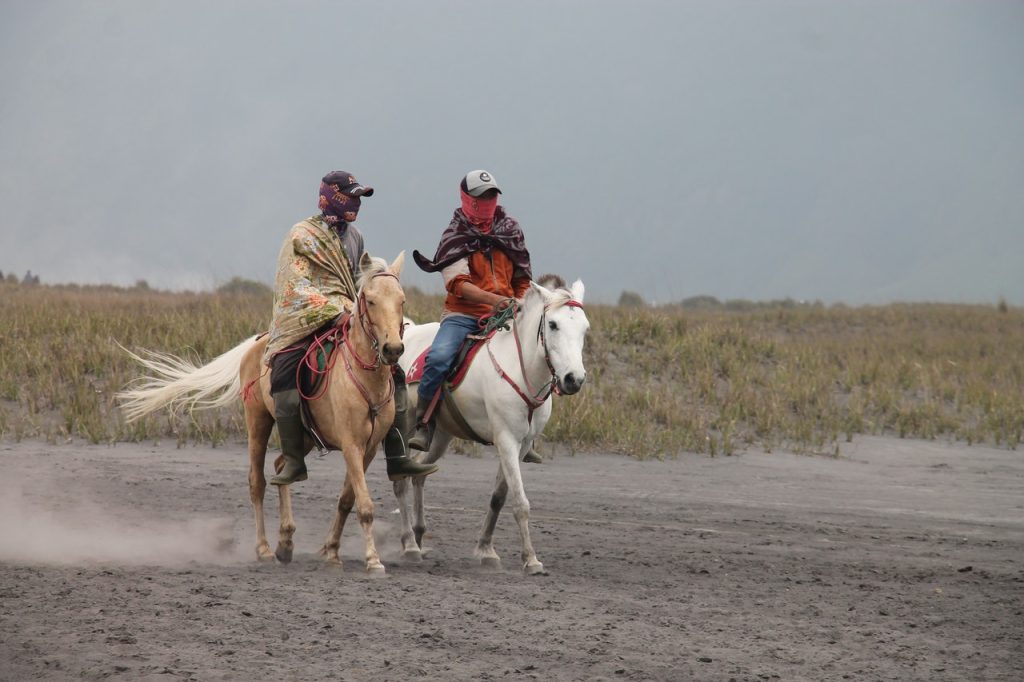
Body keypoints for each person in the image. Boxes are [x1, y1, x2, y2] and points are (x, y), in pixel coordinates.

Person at [264, 170, 439, 485]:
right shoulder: (301, 235)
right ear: (331, 196)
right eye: (351, 196)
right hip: (305, 318)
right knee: (284, 372)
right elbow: (295, 286)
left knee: (394, 372)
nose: (356, 203)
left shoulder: (355, 236)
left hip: (349, 314)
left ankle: (398, 457)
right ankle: (292, 460)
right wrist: (335, 309)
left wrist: (359, 307)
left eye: (359, 198)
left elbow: (357, 284)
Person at [409, 169, 532, 451]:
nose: (486, 201)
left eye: (491, 196)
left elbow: (523, 277)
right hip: (463, 315)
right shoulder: (455, 235)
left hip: (508, 313)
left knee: (536, 355)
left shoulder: (510, 231)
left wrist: (520, 303)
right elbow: (458, 284)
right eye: (480, 196)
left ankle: (529, 431)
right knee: (439, 357)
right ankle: (423, 423)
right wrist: (494, 300)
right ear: (467, 198)